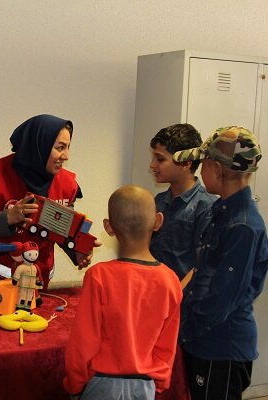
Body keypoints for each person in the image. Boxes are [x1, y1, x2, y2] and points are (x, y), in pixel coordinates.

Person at [173, 126, 268, 400]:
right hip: (203, 342)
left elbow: (220, 300)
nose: (200, 172)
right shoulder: (223, 210)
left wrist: (182, 332)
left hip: (220, 348)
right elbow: (202, 273)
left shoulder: (243, 226)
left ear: (215, 168)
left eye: (202, 164)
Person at [63, 185, 182, 400]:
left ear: (109, 227)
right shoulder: (170, 280)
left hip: (102, 384)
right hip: (146, 386)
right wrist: (160, 384)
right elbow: (167, 345)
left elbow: (83, 343)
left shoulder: (99, 276)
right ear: (157, 221)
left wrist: (74, 385)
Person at [0, 114, 95, 297]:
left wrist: (76, 252)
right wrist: (8, 218)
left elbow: (63, 229)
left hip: (36, 286)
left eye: (68, 147)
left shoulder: (67, 183)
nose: (66, 156)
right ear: (38, 146)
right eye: (60, 148)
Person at [148, 123, 216, 280]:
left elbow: (202, 266)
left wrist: (175, 296)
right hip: (154, 293)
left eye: (160, 159)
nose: (152, 165)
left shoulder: (206, 207)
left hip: (181, 298)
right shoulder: (157, 201)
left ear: (186, 163)